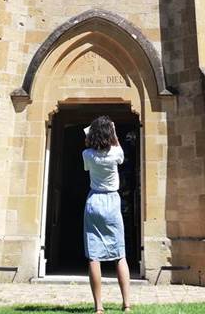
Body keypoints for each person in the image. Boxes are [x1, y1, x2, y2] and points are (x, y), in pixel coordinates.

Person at [83, 115, 131, 314]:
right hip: (112, 201)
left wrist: (91, 133)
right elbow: (118, 148)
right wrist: (113, 132)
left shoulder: (87, 154)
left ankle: (99, 307)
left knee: (94, 256)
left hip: (94, 201)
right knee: (119, 254)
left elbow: (88, 144)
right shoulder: (116, 153)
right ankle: (126, 304)